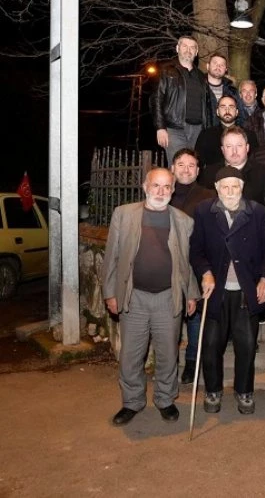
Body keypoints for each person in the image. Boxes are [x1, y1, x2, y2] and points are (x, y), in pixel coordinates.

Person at [102, 168, 200, 426]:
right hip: (133, 297)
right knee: (130, 355)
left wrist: (191, 294)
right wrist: (110, 292)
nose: (160, 191)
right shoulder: (123, 214)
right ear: (145, 186)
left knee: (168, 354)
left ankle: (165, 400)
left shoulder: (183, 221)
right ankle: (131, 402)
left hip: (168, 298)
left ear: (173, 190)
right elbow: (112, 256)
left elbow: (187, 263)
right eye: (156, 185)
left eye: (167, 187)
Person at [190, 166, 265, 414]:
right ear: (217, 188)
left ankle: (244, 391)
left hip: (245, 290)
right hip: (215, 291)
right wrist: (205, 272)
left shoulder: (257, 212)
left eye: (235, 186)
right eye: (225, 187)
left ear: (242, 188)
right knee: (211, 345)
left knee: (246, 345)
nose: (230, 191)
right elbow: (196, 250)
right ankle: (213, 390)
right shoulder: (204, 211)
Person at [168, 149, 215, 384]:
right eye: (181, 164)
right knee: (170, 318)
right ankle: (169, 364)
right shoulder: (163, 193)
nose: (186, 170)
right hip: (167, 267)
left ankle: (191, 362)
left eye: (191, 165)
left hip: (196, 266)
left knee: (195, 319)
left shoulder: (208, 196)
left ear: (197, 171)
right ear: (172, 168)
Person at [151, 36, 207, 164]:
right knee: (179, 166)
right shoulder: (166, 70)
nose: (188, 50)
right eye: (184, 46)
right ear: (177, 48)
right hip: (174, 128)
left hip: (198, 130)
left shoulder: (201, 76)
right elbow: (156, 99)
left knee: (192, 167)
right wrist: (160, 127)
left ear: (196, 52)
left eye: (192, 47)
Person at [200, 126, 265, 205]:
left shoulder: (264, 173)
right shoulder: (209, 174)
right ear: (222, 150)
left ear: (247, 148)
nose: (234, 151)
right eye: (229, 146)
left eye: (239, 145)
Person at [194, 95, 240, 170]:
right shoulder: (206, 135)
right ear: (217, 112)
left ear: (237, 112)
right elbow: (198, 162)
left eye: (231, 107)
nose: (227, 110)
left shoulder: (249, 135)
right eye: (223, 107)